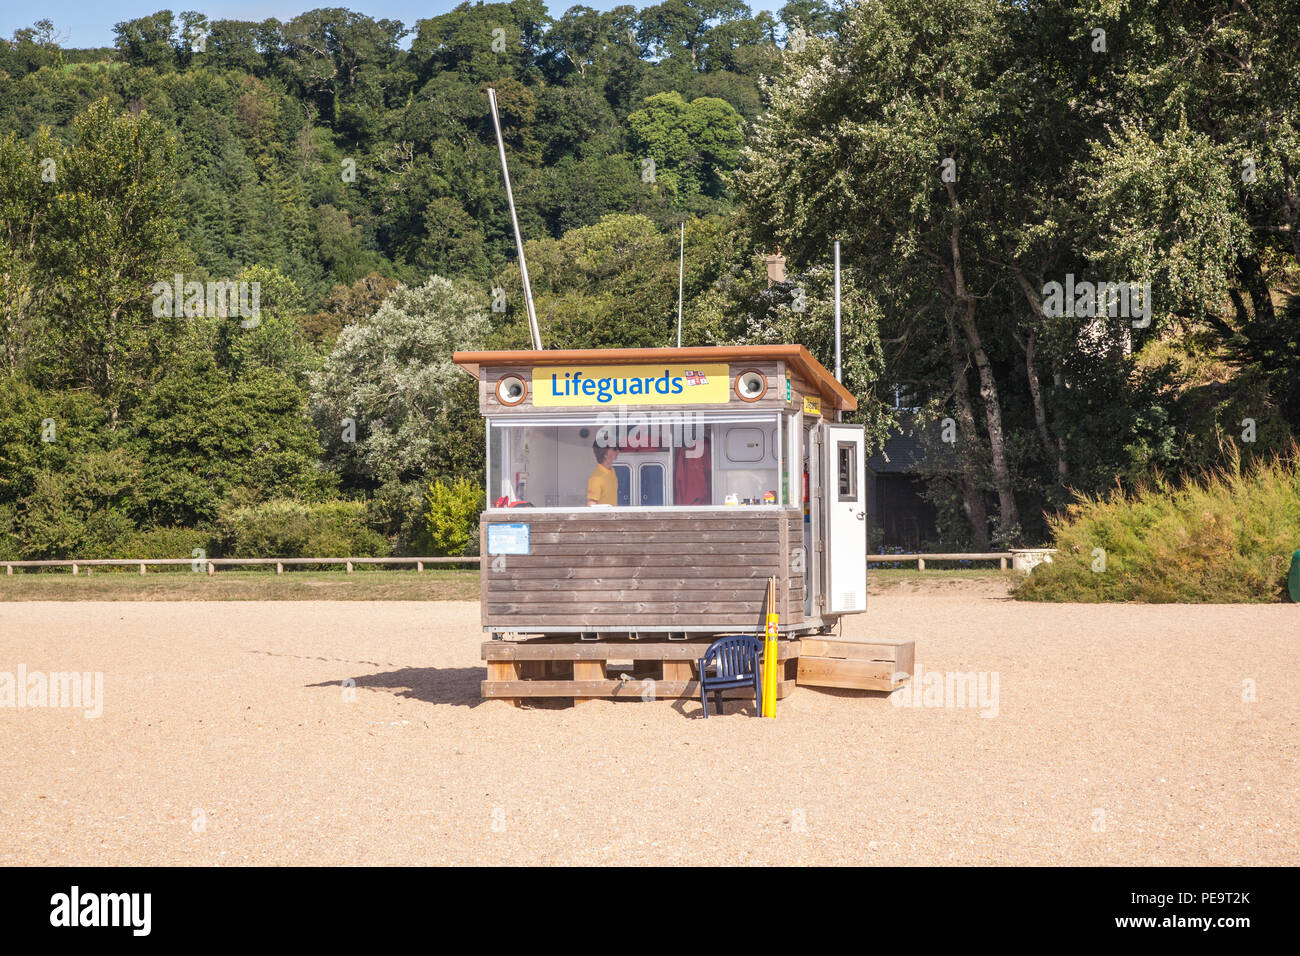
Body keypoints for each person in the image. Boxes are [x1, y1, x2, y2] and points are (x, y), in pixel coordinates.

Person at [587, 441, 619, 506]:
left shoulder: (612, 471)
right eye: (615, 448)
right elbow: (591, 505)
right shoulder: (596, 478)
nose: (618, 451)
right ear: (605, 454)